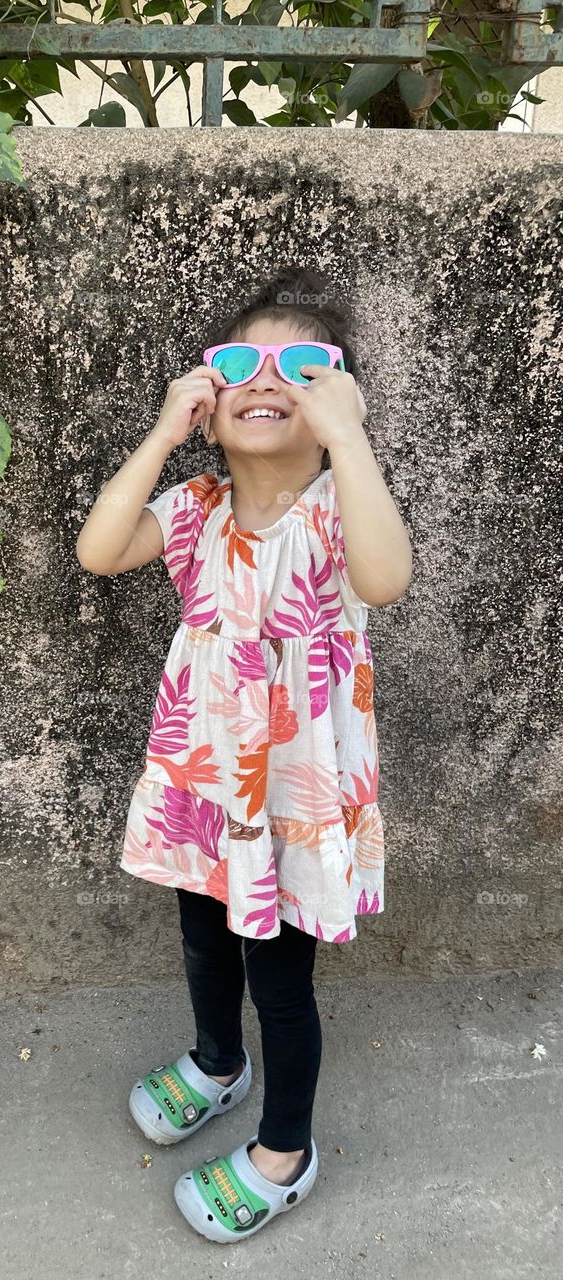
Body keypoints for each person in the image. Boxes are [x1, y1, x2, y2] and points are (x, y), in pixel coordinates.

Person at [75, 267, 413, 1243]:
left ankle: (284, 1148)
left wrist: (348, 437)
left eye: (303, 367)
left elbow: (385, 578)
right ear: (209, 403)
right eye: (240, 364)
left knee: (280, 978)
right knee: (202, 940)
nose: (270, 379)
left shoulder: (335, 510)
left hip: (294, 797)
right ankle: (218, 1060)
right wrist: (161, 434)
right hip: (203, 785)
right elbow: (100, 549)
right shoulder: (195, 510)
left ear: (334, 402)